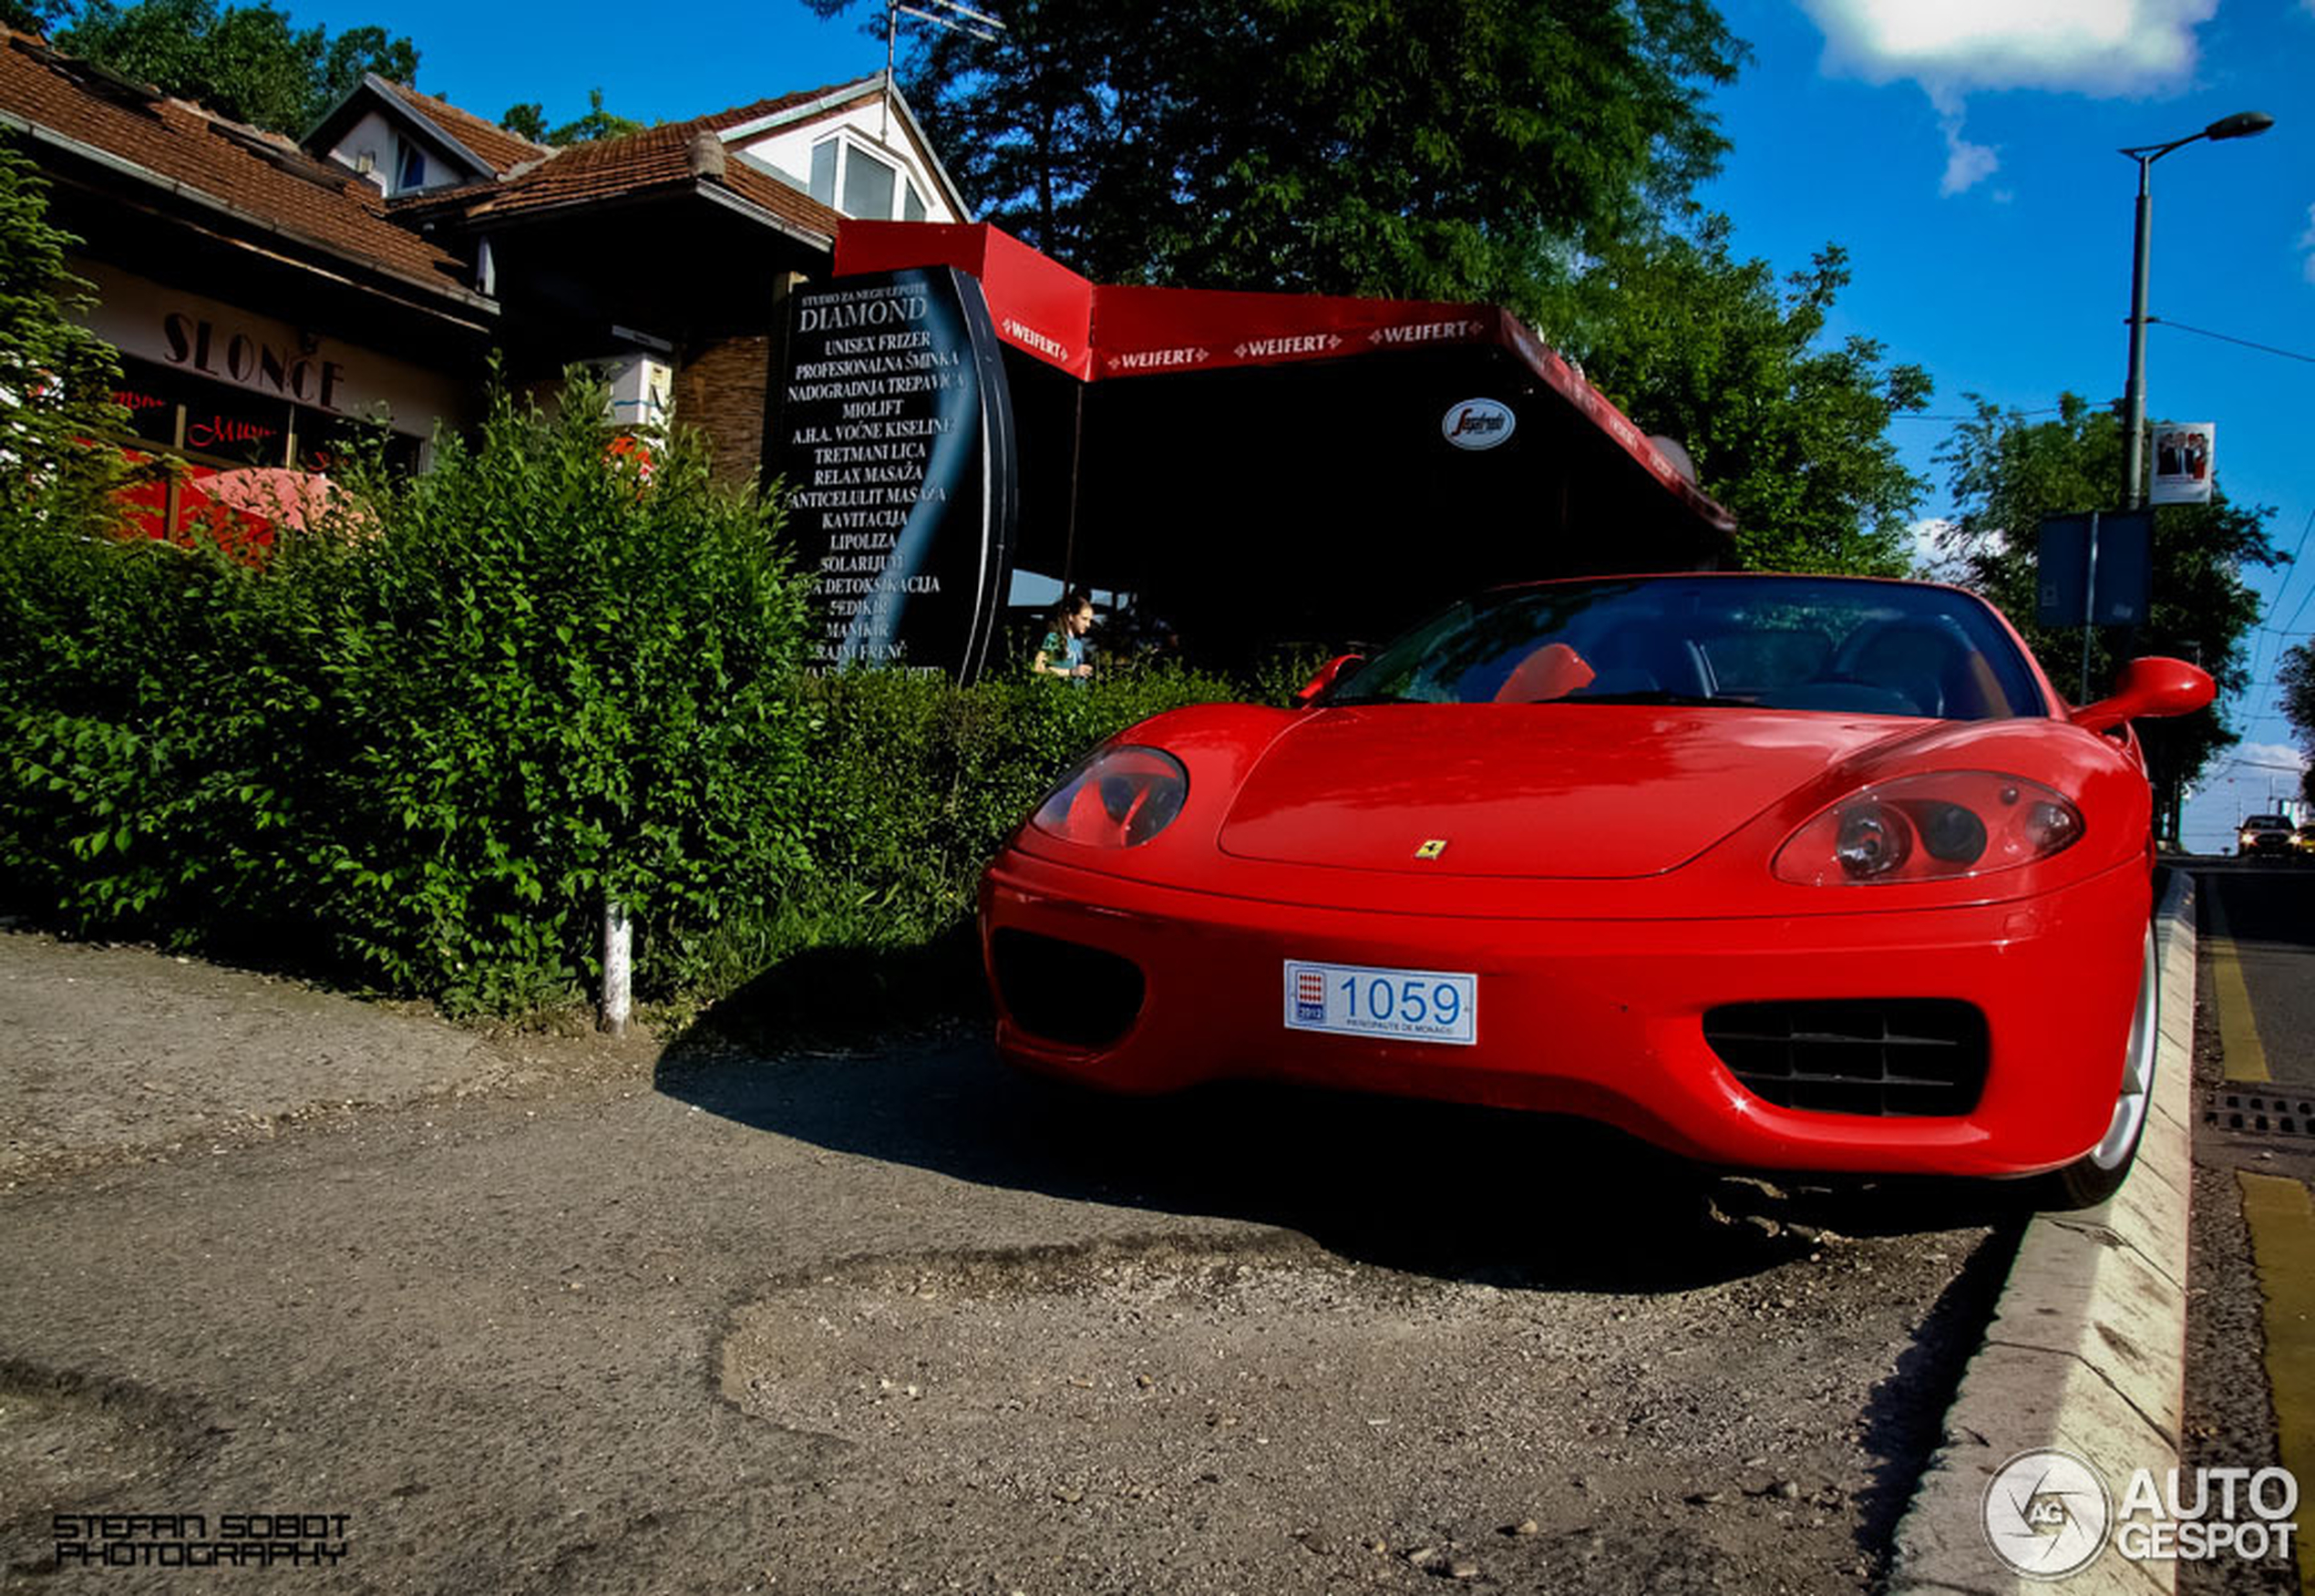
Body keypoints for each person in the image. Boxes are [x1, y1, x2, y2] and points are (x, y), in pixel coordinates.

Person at [1034, 593, 1096, 682]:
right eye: (1084, 619)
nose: (1088, 625)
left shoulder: (1078, 643)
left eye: (1090, 620)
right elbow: (1037, 668)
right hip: (1060, 693)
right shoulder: (1054, 638)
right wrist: (1070, 672)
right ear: (1071, 616)